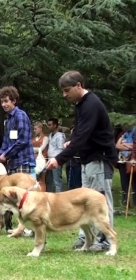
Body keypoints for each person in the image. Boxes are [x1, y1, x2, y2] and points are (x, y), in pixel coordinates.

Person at [46, 70, 118, 252]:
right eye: (62, 91)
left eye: (67, 90)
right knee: (86, 202)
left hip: (100, 158)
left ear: (79, 85)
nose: (64, 95)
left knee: (101, 201)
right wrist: (72, 141)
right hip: (87, 159)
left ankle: (105, 241)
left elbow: (83, 136)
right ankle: (88, 239)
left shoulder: (91, 104)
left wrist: (60, 159)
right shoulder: (80, 104)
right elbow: (80, 132)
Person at [0, 86, 36, 178]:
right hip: (12, 164)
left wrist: (6, 154)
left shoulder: (20, 115)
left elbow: (23, 140)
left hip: (23, 162)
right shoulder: (8, 120)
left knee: (25, 192)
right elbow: (5, 145)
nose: (3, 104)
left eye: (6, 101)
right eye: (2, 102)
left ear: (13, 101)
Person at [46, 118, 66, 193]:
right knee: (49, 180)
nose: (48, 126)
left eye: (50, 125)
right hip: (49, 159)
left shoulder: (60, 135)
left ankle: (59, 196)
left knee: (57, 180)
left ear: (55, 125)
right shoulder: (50, 135)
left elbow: (61, 149)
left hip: (56, 160)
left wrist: (57, 159)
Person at [32, 122, 48, 192]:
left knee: (42, 179)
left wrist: (33, 149)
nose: (34, 130)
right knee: (34, 179)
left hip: (42, 160)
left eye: (35, 129)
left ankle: (43, 193)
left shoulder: (45, 138)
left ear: (40, 129)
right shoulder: (33, 138)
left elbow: (41, 149)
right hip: (34, 160)